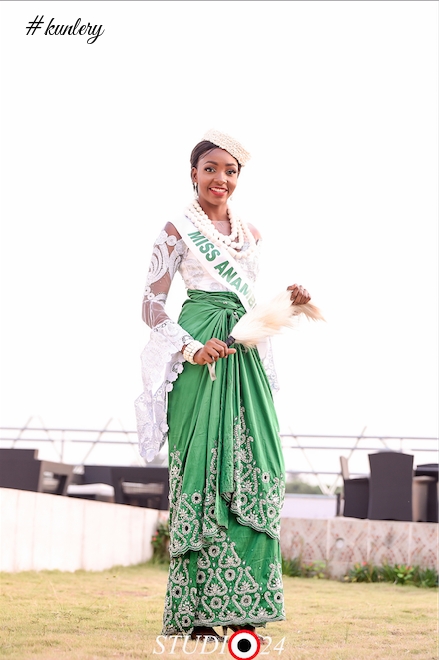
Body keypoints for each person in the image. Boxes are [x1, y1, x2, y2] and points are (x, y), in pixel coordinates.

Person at [135, 129, 311, 642]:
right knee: (203, 471)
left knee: (258, 463)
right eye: (211, 168)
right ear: (194, 173)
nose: (221, 179)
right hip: (199, 353)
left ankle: (241, 607)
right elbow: (149, 304)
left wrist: (289, 301)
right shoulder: (175, 230)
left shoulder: (251, 233)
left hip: (243, 351)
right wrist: (190, 347)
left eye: (230, 171)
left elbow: (250, 302)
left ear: (239, 178)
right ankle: (193, 614)